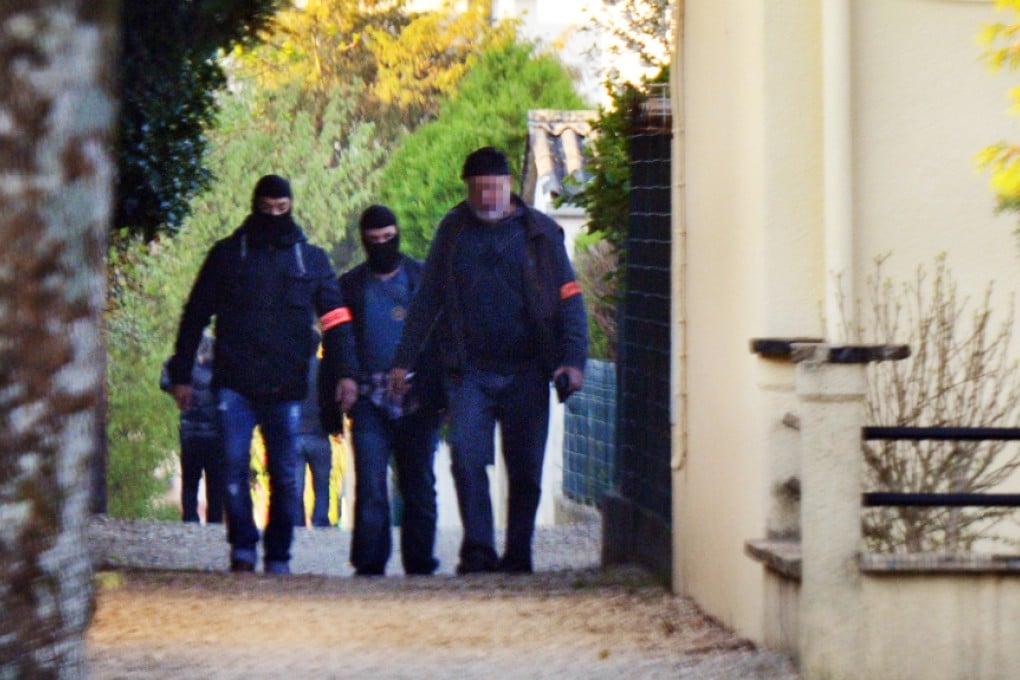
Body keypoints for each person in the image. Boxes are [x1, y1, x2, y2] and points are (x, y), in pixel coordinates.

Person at [387, 147, 588, 575]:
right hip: (468, 374)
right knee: (466, 459)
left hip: (529, 372)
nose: (487, 199)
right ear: (467, 190)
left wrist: (573, 360)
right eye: (478, 190)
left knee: (526, 469)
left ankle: (518, 553)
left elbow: (570, 298)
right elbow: (426, 301)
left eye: (494, 188)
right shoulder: (453, 230)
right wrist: (402, 362)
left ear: (510, 187)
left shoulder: (540, 234)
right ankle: (478, 550)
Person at [166, 174, 358, 575]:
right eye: (267, 208)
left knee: (285, 476)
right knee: (233, 468)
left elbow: (337, 321)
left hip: (286, 387)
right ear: (255, 205)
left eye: (281, 210)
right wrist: (182, 373)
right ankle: (242, 549)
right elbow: (195, 314)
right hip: (234, 383)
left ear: (290, 207)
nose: (274, 216)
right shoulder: (227, 256)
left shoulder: (310, 260)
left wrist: (346, 374)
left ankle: (279, 555)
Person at [324, 204, 445, 576]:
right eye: (373, 241)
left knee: (419, 484)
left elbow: (440, 341)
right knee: (372, 483)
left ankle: (420, 561)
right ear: (364, 242)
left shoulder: (422, 280)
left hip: (417, 398)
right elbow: (336, 344)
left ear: (398, 236)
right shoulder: (349, 286)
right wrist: (332, 401)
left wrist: (440, 395)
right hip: (367, 399)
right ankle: (369, 561)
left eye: (388, 239)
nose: (381, 246)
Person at [160, 333, 225, 524]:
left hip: (190, 432)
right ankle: (214, 522)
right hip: (215, 434)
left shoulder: (184, 370)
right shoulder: (219, 371)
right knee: (215, 483)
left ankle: (190, 520)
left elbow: (164, 381)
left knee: (190, 481)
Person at [293, 349, 335, 528]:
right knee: (322, 484)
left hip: (295, 434)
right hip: (319, 434)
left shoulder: (293, 367)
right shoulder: (324, 369)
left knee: (295, 486)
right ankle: (320, 520)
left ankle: (297, 523)